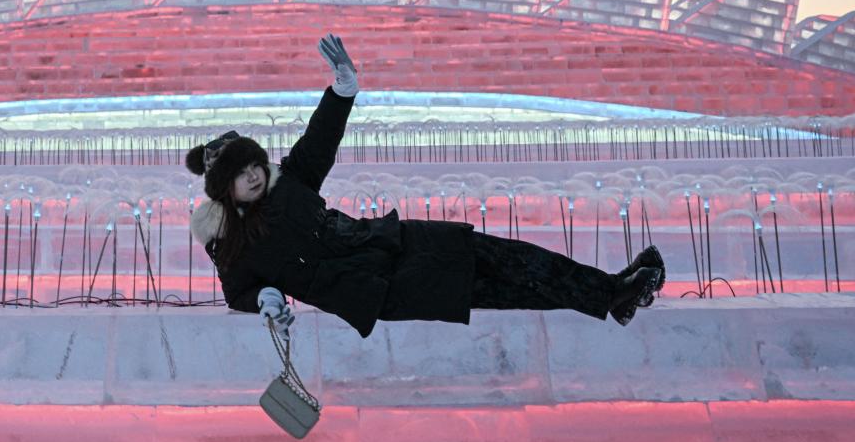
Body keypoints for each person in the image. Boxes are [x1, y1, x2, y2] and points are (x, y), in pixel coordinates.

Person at [187, 34, 665, 338]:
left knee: (508, 256)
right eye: (240, 174)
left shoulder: (289, 181)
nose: (253, 175)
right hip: (380, 287)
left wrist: (342, 89)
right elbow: (237, 291)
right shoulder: (230, 243)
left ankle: (612, 291)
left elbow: (320, 138)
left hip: (394, 241)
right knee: (501, 289)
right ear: (224, 188)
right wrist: (264, 298)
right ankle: (612, 297)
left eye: (253, 164)